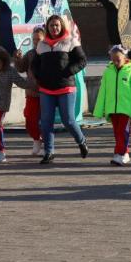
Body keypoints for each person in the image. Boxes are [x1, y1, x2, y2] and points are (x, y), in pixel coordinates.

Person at [31, 14, 89, 164]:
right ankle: (49, 152)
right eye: (51, 25)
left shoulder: (70, 41)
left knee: (68, 120)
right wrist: (39, 76)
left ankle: (81, 142)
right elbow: (34, 65)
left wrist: (67, 72)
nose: (54, 28)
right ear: (47, 28)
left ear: (62, 26)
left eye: (57, 25)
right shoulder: (41, 45)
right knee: (46, 122)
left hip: (66, 88)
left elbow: (82, 61)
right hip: (46, 89)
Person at [94, 45, 131, 166]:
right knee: (117, 132)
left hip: (126, 110)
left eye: (118, 59)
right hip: (112, 109)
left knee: (123, 132)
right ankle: (124, 153)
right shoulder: (108, 72)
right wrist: (100, 109)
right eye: (113, 60)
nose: (116, 62)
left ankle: (120, 153)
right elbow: (103, 91)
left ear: (125, 58)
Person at [14, 26, 46, 155]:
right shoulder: (31, 54)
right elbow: (21, 68)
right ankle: (37, 139)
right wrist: (17, 58)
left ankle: (47, 144)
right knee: (30, 120)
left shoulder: (49, 53)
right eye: (34, 39)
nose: (36, 42)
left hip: (47, 93)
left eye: (38, 39)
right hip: (32, 92)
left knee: (45, 121)